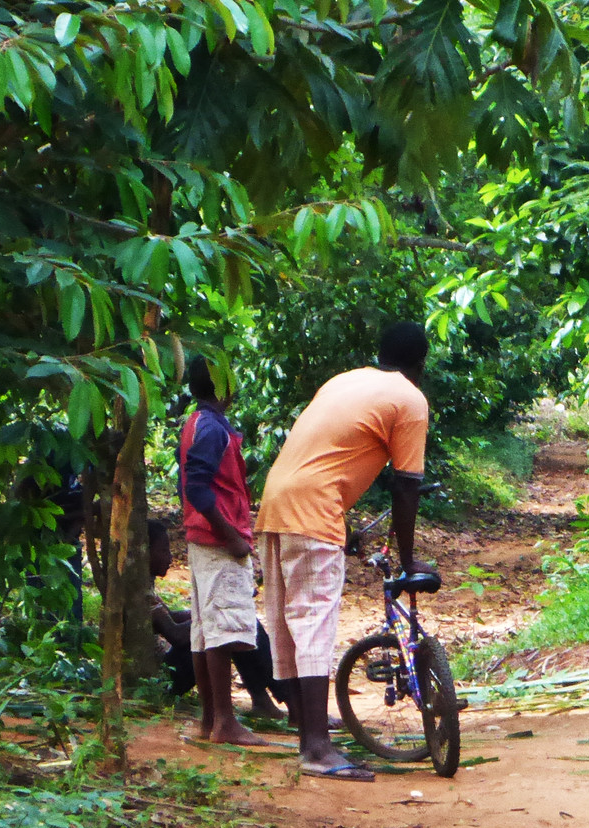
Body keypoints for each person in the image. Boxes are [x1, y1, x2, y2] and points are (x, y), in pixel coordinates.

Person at [254, 322, 432, 782]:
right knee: (313, 623)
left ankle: (305, 730)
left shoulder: (346, 380)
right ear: (421, 363)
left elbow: (324, 457)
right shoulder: (409, 399)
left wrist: (345, 527)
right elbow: (406, 486)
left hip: (275, 503)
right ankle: (316, 747)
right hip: (313, 510)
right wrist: (408, 559)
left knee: (287, 625)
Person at [179, 357, 269, 747]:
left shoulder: (198, 423)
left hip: (203, 539)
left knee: (204, 631)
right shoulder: (213, 429)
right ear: (224, 388)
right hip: (217, 542)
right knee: (221, 632)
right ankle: (225, 723)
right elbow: (197, 489)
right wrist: (231, 535)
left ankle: (209, 720)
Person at [151, 519, 286, 721]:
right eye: (163, 551)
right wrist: (216, 614)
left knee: (233, 622)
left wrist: (219, 607)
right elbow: (176, 635)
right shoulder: (139, 593)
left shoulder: (145, 587)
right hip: (161, 677)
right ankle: (281, 695)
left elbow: (168, 616)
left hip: (164, 670)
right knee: (229, 626)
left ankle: (264, 699)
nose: (170, 557)